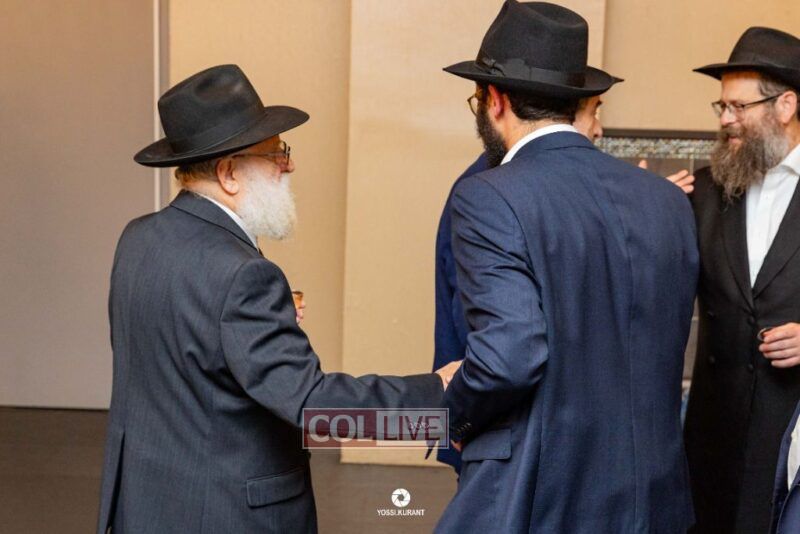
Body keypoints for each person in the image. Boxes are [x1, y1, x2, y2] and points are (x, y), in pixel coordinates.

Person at [96, 64, 461, 534]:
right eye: (276, 154)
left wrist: (247, 327)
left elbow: (180, 353)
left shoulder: (138, 238)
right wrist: (437, 398)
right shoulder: (243, 275)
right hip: (225, 514)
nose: (288, 166)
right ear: (229, 172)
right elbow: (315, 409)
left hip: (147, 506)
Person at [435, 2, 698, 532]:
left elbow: (508, 357)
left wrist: (453, 414)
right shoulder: (667, 201)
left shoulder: (488, 195)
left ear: (494, 99)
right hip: (656, 498)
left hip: (545, 496)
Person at [432, 92, 620, 472]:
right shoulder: (488, 188)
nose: (598, 129)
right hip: (505, 429)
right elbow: (483, 328)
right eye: (592, 112)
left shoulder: (520, 185)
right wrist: (460, 415)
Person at [682, 26, 800, 534]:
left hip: (792, 436)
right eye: (721, 106)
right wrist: (648, 211)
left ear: (785, 106)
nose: (725, 119)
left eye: (738, 106)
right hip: (713, 442)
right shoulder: (704, 191)